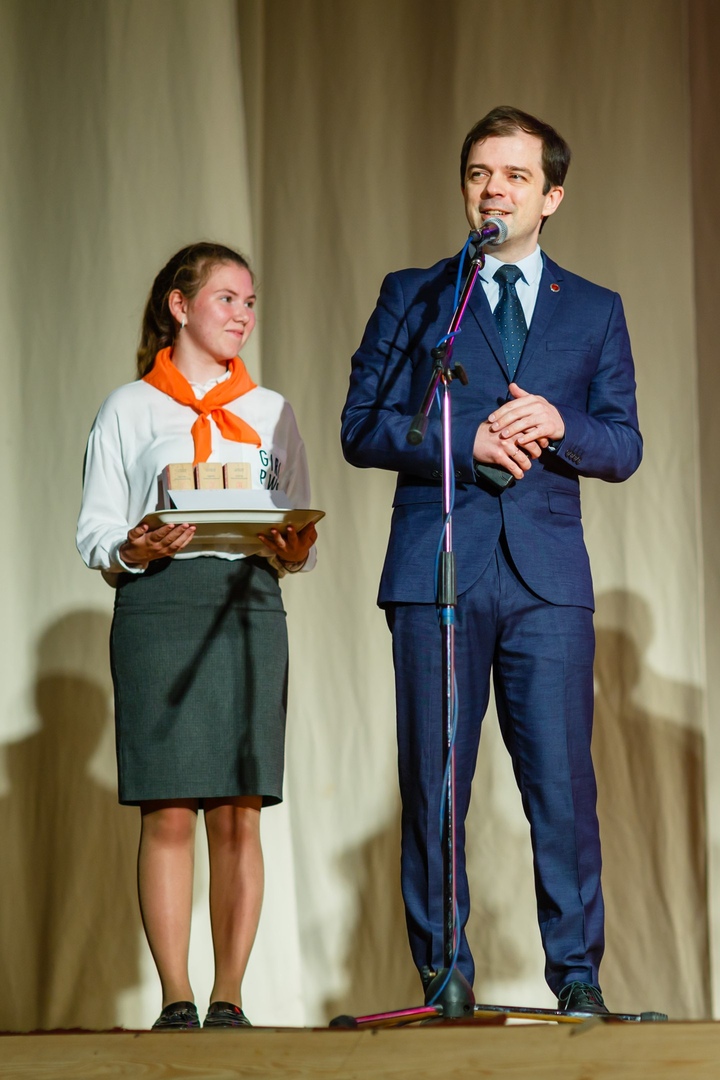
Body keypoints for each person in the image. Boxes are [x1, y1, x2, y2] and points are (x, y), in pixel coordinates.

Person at [341, 107, 642, 1015]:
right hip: (437, 564)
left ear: (551, 196)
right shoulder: (418, 294)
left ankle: (577, 978)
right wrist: (461, 438)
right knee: (435, 783)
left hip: (547, 579)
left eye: (514, 176)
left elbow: (623, 445)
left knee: (562, 785)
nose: (493, 191)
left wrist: (560, 422)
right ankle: (445, 976)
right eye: (479, 174)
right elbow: (361, 425)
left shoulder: (594, 309)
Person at [77, 242, 317, 1030]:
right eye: (226, 299)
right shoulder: (129, 407)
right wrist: (133, 547)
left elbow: (296, 526)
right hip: (160, 605)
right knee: (170, 807)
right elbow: (96, 530)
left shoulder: (270, 409)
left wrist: (294, 548)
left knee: (240, 809)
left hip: (248, 603)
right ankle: (177, 997)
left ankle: (230, 998)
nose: (242, 315)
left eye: (249, 302)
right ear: (179, 307)